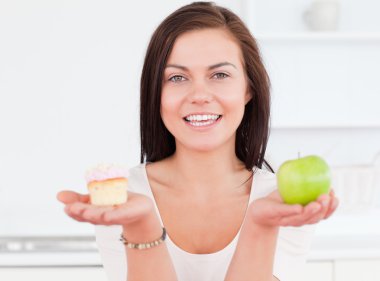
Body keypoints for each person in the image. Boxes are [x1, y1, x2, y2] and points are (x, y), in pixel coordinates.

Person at [57, 2, 338, 281]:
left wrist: (259, 224)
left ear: (249, 89)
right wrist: (141, 225)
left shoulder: (283, 201)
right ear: (156, 93)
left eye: (219, 75)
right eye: (177, 77)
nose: (199, 95)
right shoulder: (124, 198)